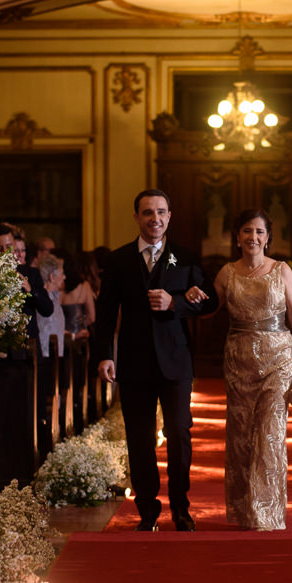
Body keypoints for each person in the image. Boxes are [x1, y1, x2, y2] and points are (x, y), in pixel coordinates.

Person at [94, 189, 217, 532]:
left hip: (176, 361)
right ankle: (147, 510)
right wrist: (104, 353)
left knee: (179, 432)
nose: (155, 218)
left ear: (170, 215)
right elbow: (105, 312)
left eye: (161, 212)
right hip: (133, 361)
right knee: (139, 437)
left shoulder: (187, 257)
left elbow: (209, 302)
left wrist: (176, 302)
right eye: (147, 212)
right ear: (136, 217)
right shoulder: (118, 261)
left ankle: (181, 507)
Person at [188, 209, 292, 532]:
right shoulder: (226, 273)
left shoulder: (282, 271)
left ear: (268, 238)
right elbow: (208, 310)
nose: (253, 237)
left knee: (270, 432)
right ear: (237, 237)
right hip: (239, 358)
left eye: (259, 232)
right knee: (242, 435)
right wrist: (190, 298)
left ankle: (268, 513)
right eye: (247, 231)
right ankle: (245, 509)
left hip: (279, 357)